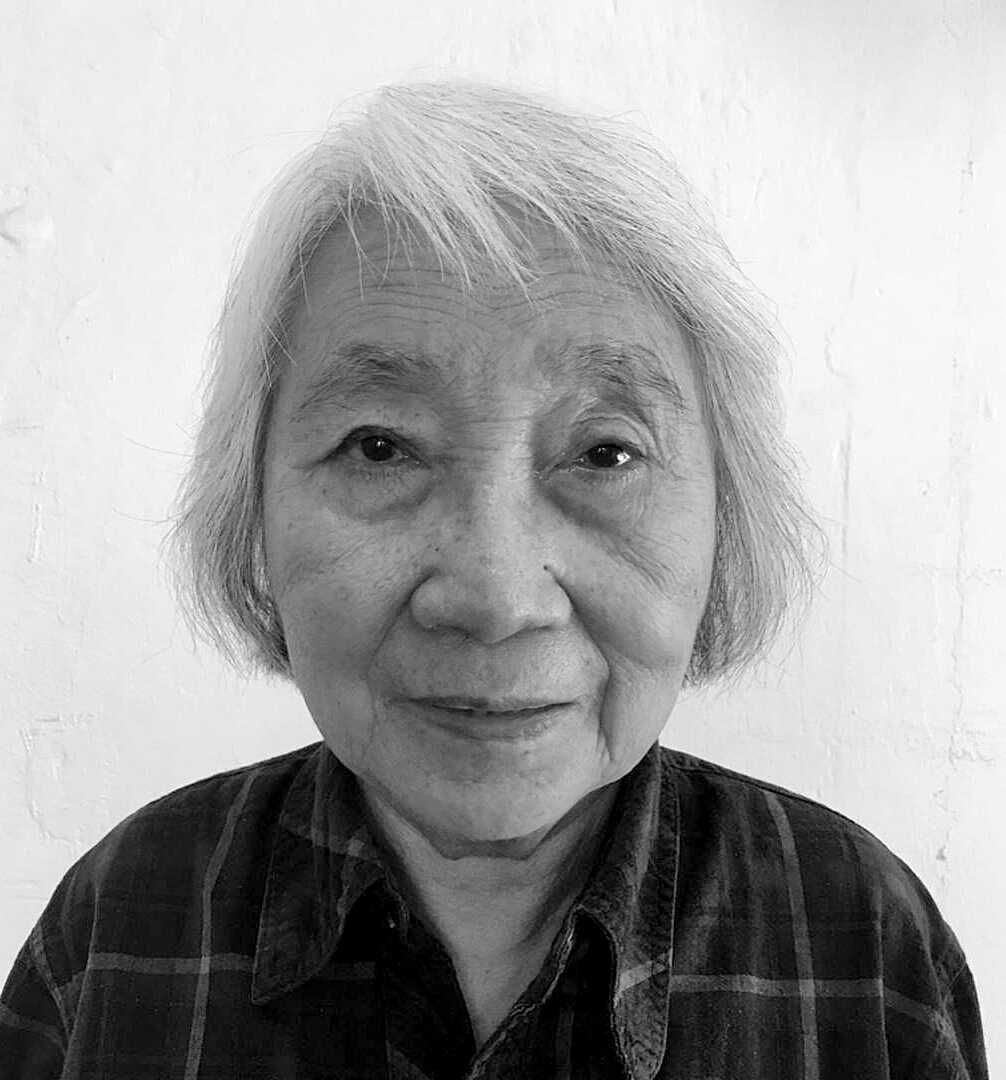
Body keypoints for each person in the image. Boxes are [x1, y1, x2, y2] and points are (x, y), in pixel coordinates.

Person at [0, 78, 987, 1079]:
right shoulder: (117, 931)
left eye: (605, 453)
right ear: (249, 506)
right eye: (379, 447)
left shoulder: (862, 948)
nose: (495, 599)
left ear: (728, 520)